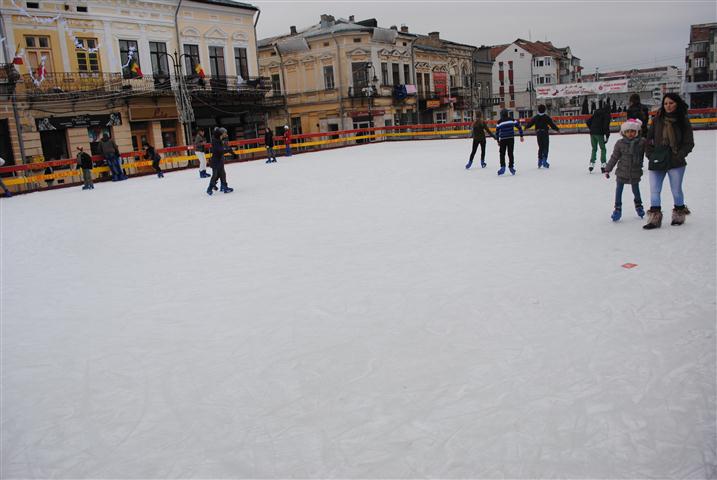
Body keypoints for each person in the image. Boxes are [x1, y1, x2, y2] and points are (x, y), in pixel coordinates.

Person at [643, 93, 694, 229]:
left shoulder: (683, 120)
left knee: (676, 190)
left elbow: (689, 142)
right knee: (654, 190)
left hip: (675, 161)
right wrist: (650, 154)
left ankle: (678, 215)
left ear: (676, 103)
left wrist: (679, 155)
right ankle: (654, 219)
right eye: (666, 103)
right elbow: (649, 139)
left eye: (671, 103)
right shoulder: (657, 119)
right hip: (657, 160)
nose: (668, 106)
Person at [603, 119, 645, 221]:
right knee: (619, 190)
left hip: (635, 172)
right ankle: (617, 209)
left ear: (636, 132)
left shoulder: (641, 143)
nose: (630, 134)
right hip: (622, 171)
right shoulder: (620, 143)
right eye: (627, 131)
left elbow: (650, 153)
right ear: (623, 132)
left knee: (636, 190)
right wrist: (608, 169)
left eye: (632, 131)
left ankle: (639, 206)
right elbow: (614, 157)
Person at [524, 104, 560, 168]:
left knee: (540, 147)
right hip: (545, 133)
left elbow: (530, 123)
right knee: (545, 146)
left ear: (538, 110)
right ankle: (544, 160)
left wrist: (526, 127)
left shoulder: (536, 117)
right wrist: (557, 129)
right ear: (545, 110)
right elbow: (551, 124)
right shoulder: (546, 117)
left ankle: (539, 161)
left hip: (538, 133)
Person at [494, 109, 524, 175]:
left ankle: (503, 167)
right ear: (507, 114)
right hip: (511, 138)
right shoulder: (512, 120)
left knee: (502, 153)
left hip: (503, 139)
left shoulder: (499, 122)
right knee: (510, 153)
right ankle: (511, 167)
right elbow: (519, 127)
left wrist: (498, 140)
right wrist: (521, 136)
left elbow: (497, 132)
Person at [207, 127, 233, 195]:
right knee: (215, 175)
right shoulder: (216, 141)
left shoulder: (219, 140)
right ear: (221, 134)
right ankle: (209, 188)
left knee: (223, 174)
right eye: (224, 133)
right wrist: (228, 150)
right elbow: (219, 151)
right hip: (215, 161)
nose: (226, 134)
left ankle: (224, 187)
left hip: (219, 160)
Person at [586, 104, 612, 173]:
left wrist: (591, 129)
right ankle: (603, 164)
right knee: (603, 148)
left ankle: (591, 163)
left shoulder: (596, 113)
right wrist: (607, 135)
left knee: (594, 149)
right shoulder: (607, 114)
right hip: (599, 133)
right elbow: (606, 126)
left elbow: (588, 121)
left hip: (592, 133)